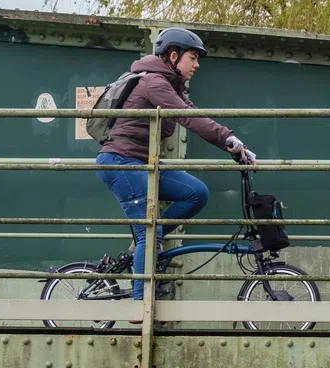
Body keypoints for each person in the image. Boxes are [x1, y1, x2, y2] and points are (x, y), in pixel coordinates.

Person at [95, 27, 258, 304]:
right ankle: (141, 307)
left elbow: (194, 114)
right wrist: (228, 139)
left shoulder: (170, 85)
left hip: (144, 162)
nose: (196, 65)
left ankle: (143, 245)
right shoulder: (154, 83)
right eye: (193, 58)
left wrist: (231, 142)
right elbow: (188, 119)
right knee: (151, 231)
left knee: (196, 193)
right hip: (121, 161)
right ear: (173, 55)